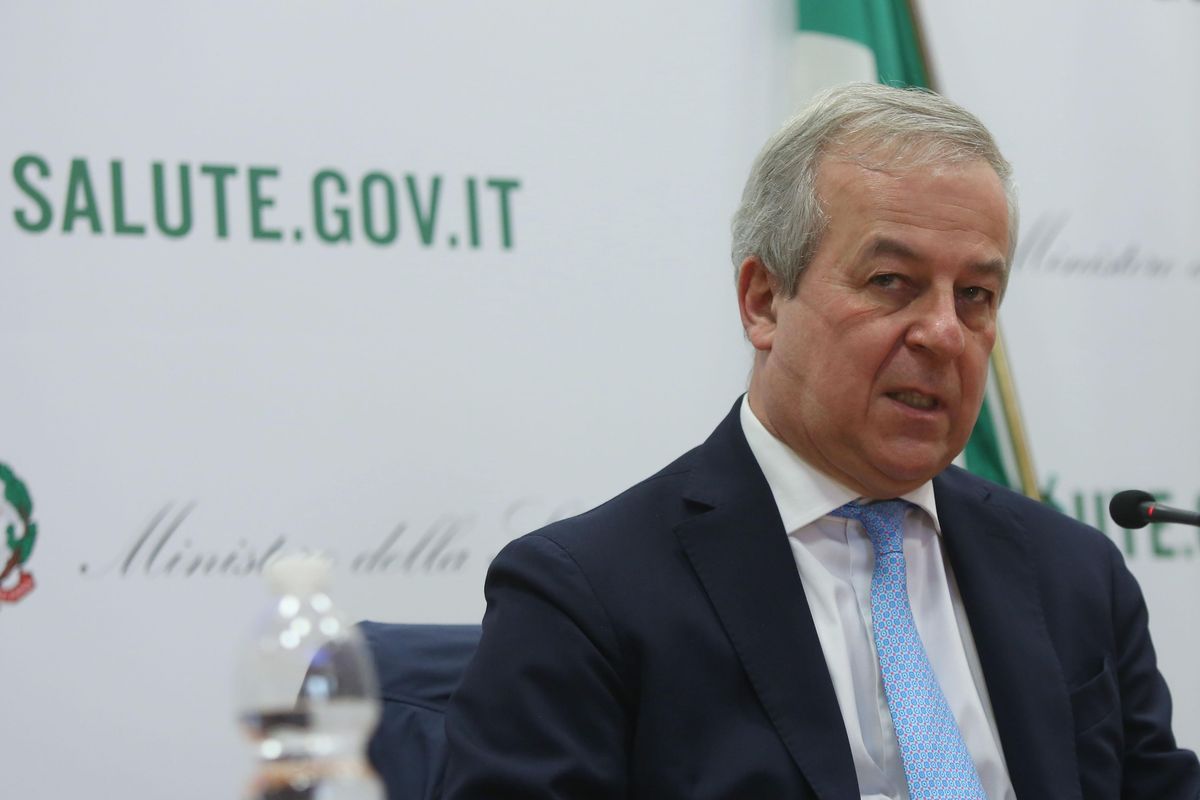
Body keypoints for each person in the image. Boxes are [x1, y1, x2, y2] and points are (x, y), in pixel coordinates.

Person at [441, 83, 1200, 799]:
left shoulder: (1075, 575)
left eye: (975, 295)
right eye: (891, 281)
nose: (944, 333)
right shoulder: (586, 597)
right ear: (764, 301)